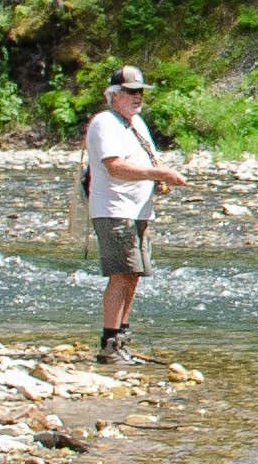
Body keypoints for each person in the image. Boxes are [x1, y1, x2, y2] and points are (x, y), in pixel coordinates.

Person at [78, 67, 189, 363]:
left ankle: (122, 338)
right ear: (113, 95)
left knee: (134, 275)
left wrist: (158, 175)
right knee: (120, 275)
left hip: (138, 212)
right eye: (130, 91)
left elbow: (145, 159)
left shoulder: (136, 122)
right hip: (114, 210)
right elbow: (114, 167)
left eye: (140, 91)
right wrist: (159, 173)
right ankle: (110, 344)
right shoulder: (104, 123)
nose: (137, 97)